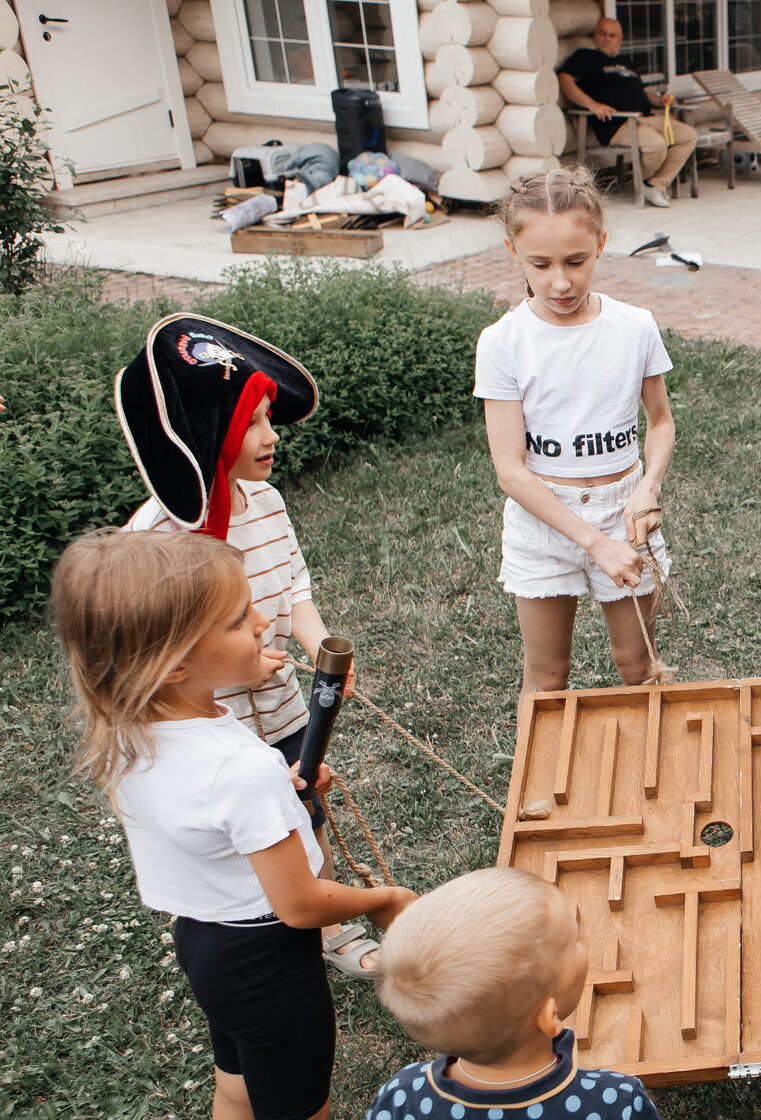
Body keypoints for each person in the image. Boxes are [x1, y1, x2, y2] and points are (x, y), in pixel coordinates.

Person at [51, 529, 416, 1120]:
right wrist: (385, 898)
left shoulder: (129, 733)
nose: (259, 619)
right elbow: (300, 904)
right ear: (173, 665)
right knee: (300, 1109)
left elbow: (208, 820)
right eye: (235, 619)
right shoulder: (239, 768)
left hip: (204, 944)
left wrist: (280, 791)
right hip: (270, 961)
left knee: (238, 1085)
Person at [116, 312, 382, 981]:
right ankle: (255, 918)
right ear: (213, 436)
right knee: (246, 832)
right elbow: (151, 657)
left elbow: (293, 587)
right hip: (216, 731)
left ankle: (323, 920)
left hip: (285, 709)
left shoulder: (266, 503)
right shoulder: (155, 542)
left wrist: (319, 645)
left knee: (304, 800)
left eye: (269, 418)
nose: (271, 438)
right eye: (254, 424)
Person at [478, 168, 675, 697]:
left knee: (638, 666)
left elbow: (659, 421)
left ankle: (652, 773)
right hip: (545, 519)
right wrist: (593, 543)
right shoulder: (502, 343)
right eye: (539, 265)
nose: (559, 282)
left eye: (576, 261)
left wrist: (647, 488)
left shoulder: (635, 326)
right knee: (547, 677)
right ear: (512, 250)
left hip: (623, 510)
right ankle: (539, 782)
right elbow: (511, 471)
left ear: (601, 244)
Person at [370, 867, 662, 1119]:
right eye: (572, 942)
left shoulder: (400, 1097)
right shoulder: (616, 1103)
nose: (581, 946)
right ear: (548, 1016)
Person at [557, 18, 698, 208]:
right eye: (602, 33)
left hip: (646, 117)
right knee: (657, 145)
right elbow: (565, 80)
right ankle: (648, 183)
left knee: (688, 136)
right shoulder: (585, 57)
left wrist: (659, 99)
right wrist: (593, 105)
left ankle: (654, 184)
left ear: (620, 40)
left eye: (612, 35)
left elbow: (641, 92)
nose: (607, 38)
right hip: (618, 123)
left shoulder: (626, 62)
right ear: (595, 36)